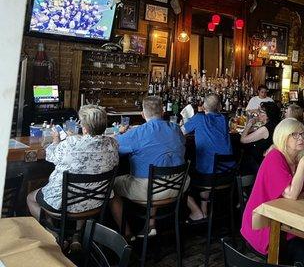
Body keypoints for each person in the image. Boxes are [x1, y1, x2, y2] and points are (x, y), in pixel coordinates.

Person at [241, 118, 304, 267]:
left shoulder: (297, 159)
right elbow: (291, 194)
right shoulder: (274, 157)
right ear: (283, 137)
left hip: (288, 220)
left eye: (303, 134)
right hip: (265, 224)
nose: (301, 138)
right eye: (295, 134)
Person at [110, 96, 186, 236]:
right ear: (163, 112)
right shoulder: (176, 129)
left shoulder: (137, 133)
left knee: (110, 187)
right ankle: (150, 225)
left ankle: (126, 235)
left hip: (150, 190)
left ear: (143, 114)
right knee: (156, 171)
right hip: (177, 186)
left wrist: (119, 134)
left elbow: (113, 146)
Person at [27, 105, 119, 218]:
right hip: (95, 202)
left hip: (63, 203)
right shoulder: (113, 143)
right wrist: (76, 137)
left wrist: (56, 141)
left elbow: (51, 156)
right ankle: (79, 233)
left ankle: (51, 234)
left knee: (30, 198)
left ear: (84, 127)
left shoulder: (71, 143)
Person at [182, 94, 233, 222]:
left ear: (203, 106)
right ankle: (204, 210)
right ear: (220, 106)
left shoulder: (199, 118)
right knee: (206, 165)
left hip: (209, 177)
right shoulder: (223, 119)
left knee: (187, 174)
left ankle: (197, 212)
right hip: (228, 174)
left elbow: (181, 131)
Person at [240, 101, 281, 174]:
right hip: (270, 159)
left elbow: (243, 140)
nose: (258, 114)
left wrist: (249, 124)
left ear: (268, 115)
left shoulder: (265, 129)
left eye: (261, 112)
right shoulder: (276, 125)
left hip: (260, 162)